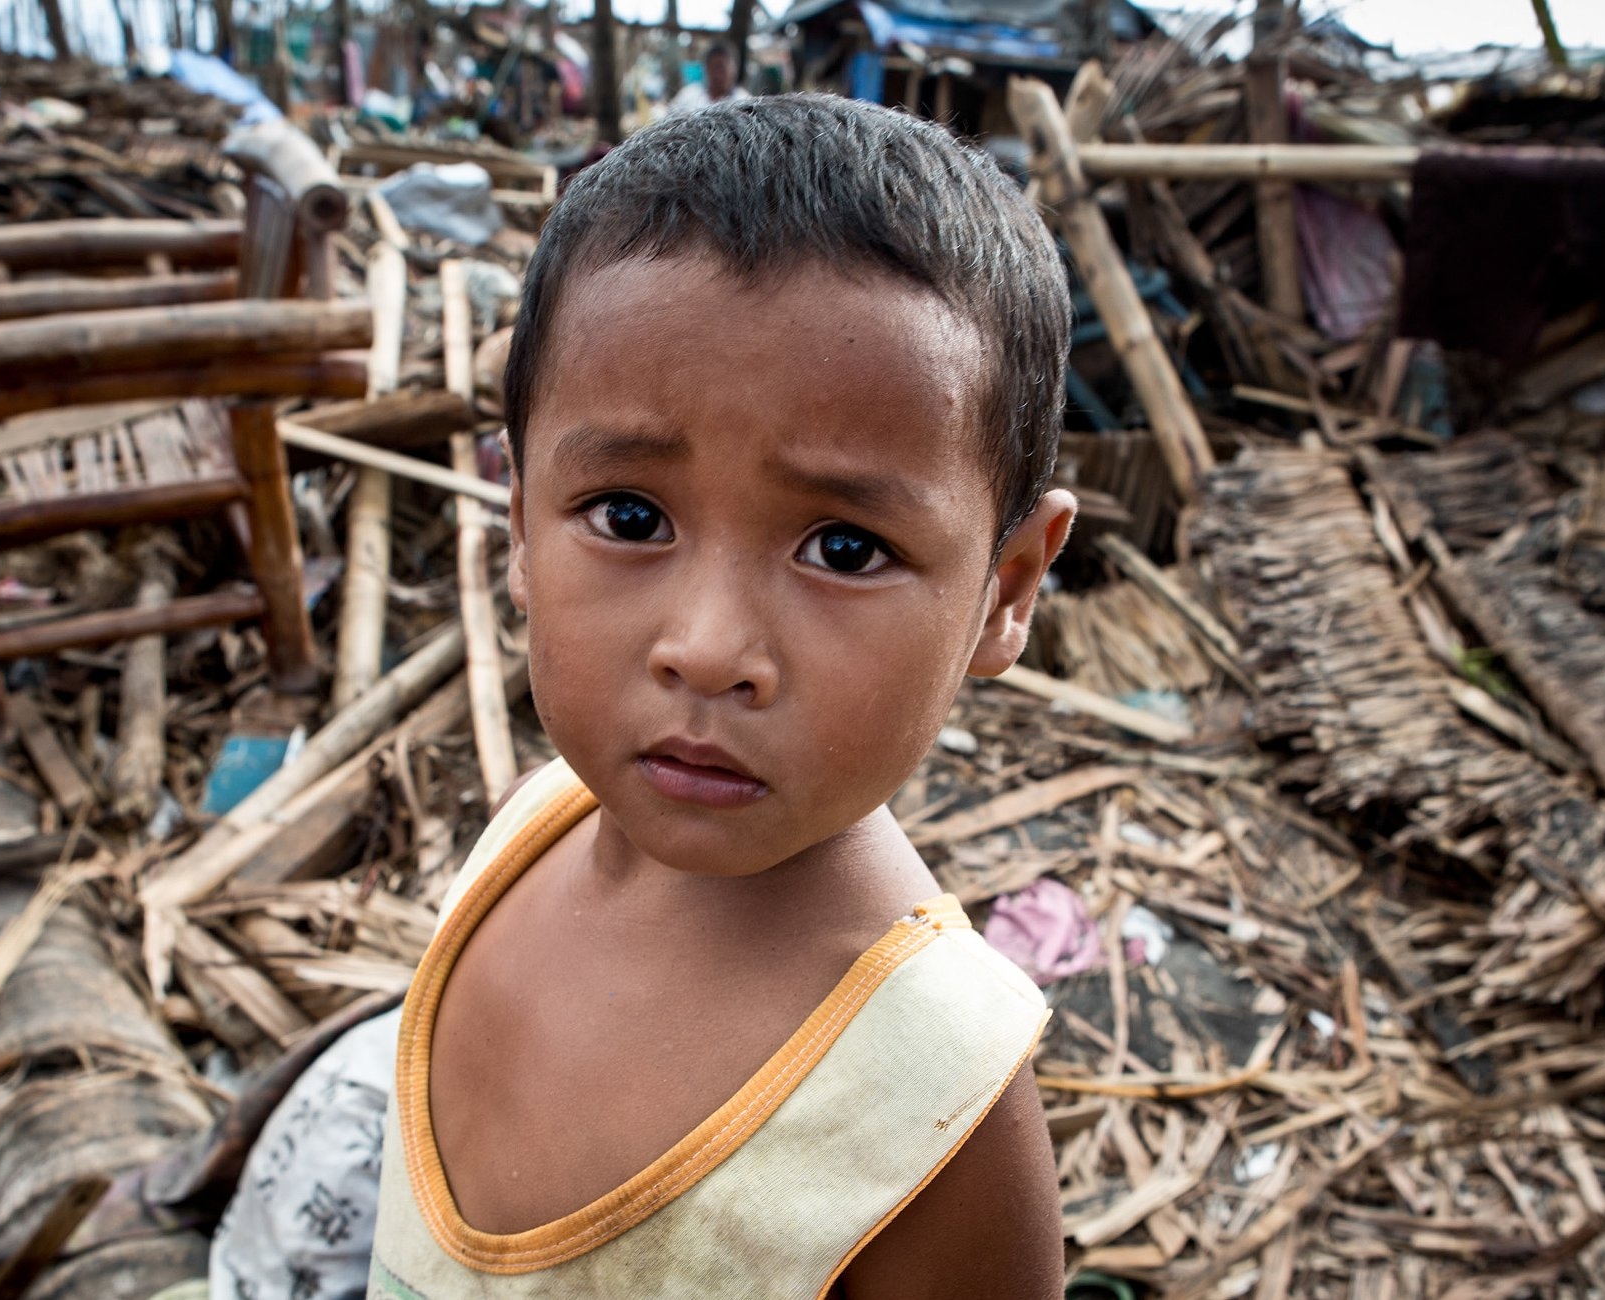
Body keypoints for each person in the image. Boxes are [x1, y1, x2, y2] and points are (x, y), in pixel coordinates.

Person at [366, 95, 1076, 1298]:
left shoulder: (929, 1099)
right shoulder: (518, 838)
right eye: (628, 518)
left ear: (1005, 589)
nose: (706, 649)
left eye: (843, 548)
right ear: (520, 523)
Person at [665, 43, 749, 115]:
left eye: (722, 69)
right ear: (706, 69)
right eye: (714, 68)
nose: (718, 75)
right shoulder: (688, 96)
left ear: (734, 69)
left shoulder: (744, 101)